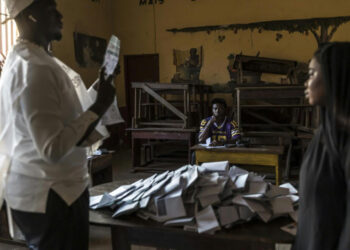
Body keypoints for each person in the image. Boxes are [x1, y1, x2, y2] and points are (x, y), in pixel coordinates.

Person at [0, 0, 116, 249]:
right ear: (30, 16)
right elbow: (52, 147)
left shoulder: (29, 59)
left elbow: (61, 117)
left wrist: (97, 97)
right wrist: (99, 107)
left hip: (48, 191)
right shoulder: (34, 68)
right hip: (51, 195)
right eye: (51, 10)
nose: (60, 16)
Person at [294, 42, 350, 250]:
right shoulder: (325, 132)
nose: (306, 83)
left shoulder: (345, 140)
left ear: (335, 77)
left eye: (311, 74)